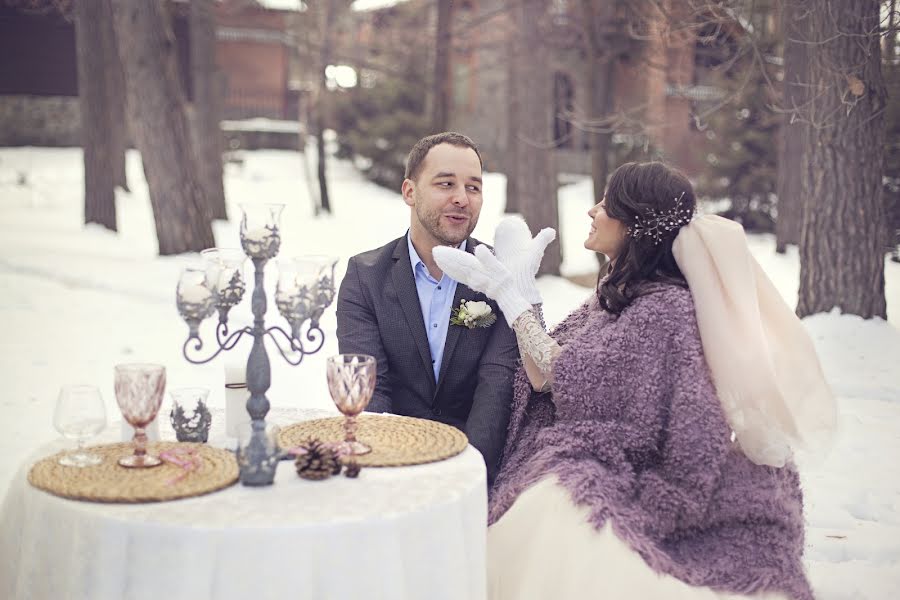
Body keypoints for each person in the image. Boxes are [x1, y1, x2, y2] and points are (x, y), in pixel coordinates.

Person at [434, 161, 837, 599]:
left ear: (634, 224)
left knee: (553, 513)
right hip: (591, 445)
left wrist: (514, 300)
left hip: (640, 462)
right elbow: (546, 375)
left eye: (606, 204)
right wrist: (524, 297)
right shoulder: (620, 293)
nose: (592, 210)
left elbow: (565, 379)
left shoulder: (663, 308)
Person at [336, 132, 528, 484]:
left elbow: (496, 385)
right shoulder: (365, 278)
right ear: (409, 192)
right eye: (445, 184)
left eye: (473, 187)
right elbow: (369, 389)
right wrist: (392, 469)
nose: (461, 199)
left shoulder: (501, 275)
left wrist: (467, 477)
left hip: (473, 468)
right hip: (387, 464)